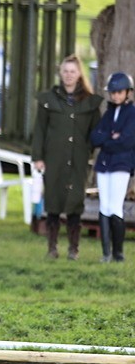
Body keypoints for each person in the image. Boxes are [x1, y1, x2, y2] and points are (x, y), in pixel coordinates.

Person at [32, 55, 103, 260]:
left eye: (72, 71)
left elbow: (96, 131)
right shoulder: (49, 100)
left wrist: (87, 150)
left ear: (79, 74)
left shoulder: (89, 102)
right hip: (54, 159)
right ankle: (52, 247)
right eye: (65, 71)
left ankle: (74, 248)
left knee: (75, 203)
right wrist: (38, 156)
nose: (69, 75)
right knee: (53, 202)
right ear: (60, 73)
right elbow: (40, 130)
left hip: (78, 160)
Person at [89, 71, 135, 262]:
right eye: (113, 92)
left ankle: (118, 253)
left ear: (128, 92)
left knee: (115, 207)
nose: (115, 96)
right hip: (104, 164)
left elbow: (126, 141)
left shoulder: (132, 113)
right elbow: (95, 137)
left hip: (121, 164)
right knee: (104, 207)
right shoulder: (108, 113)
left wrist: (106, 139)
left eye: (119, 92)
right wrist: (111, 137)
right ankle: (106, 253)